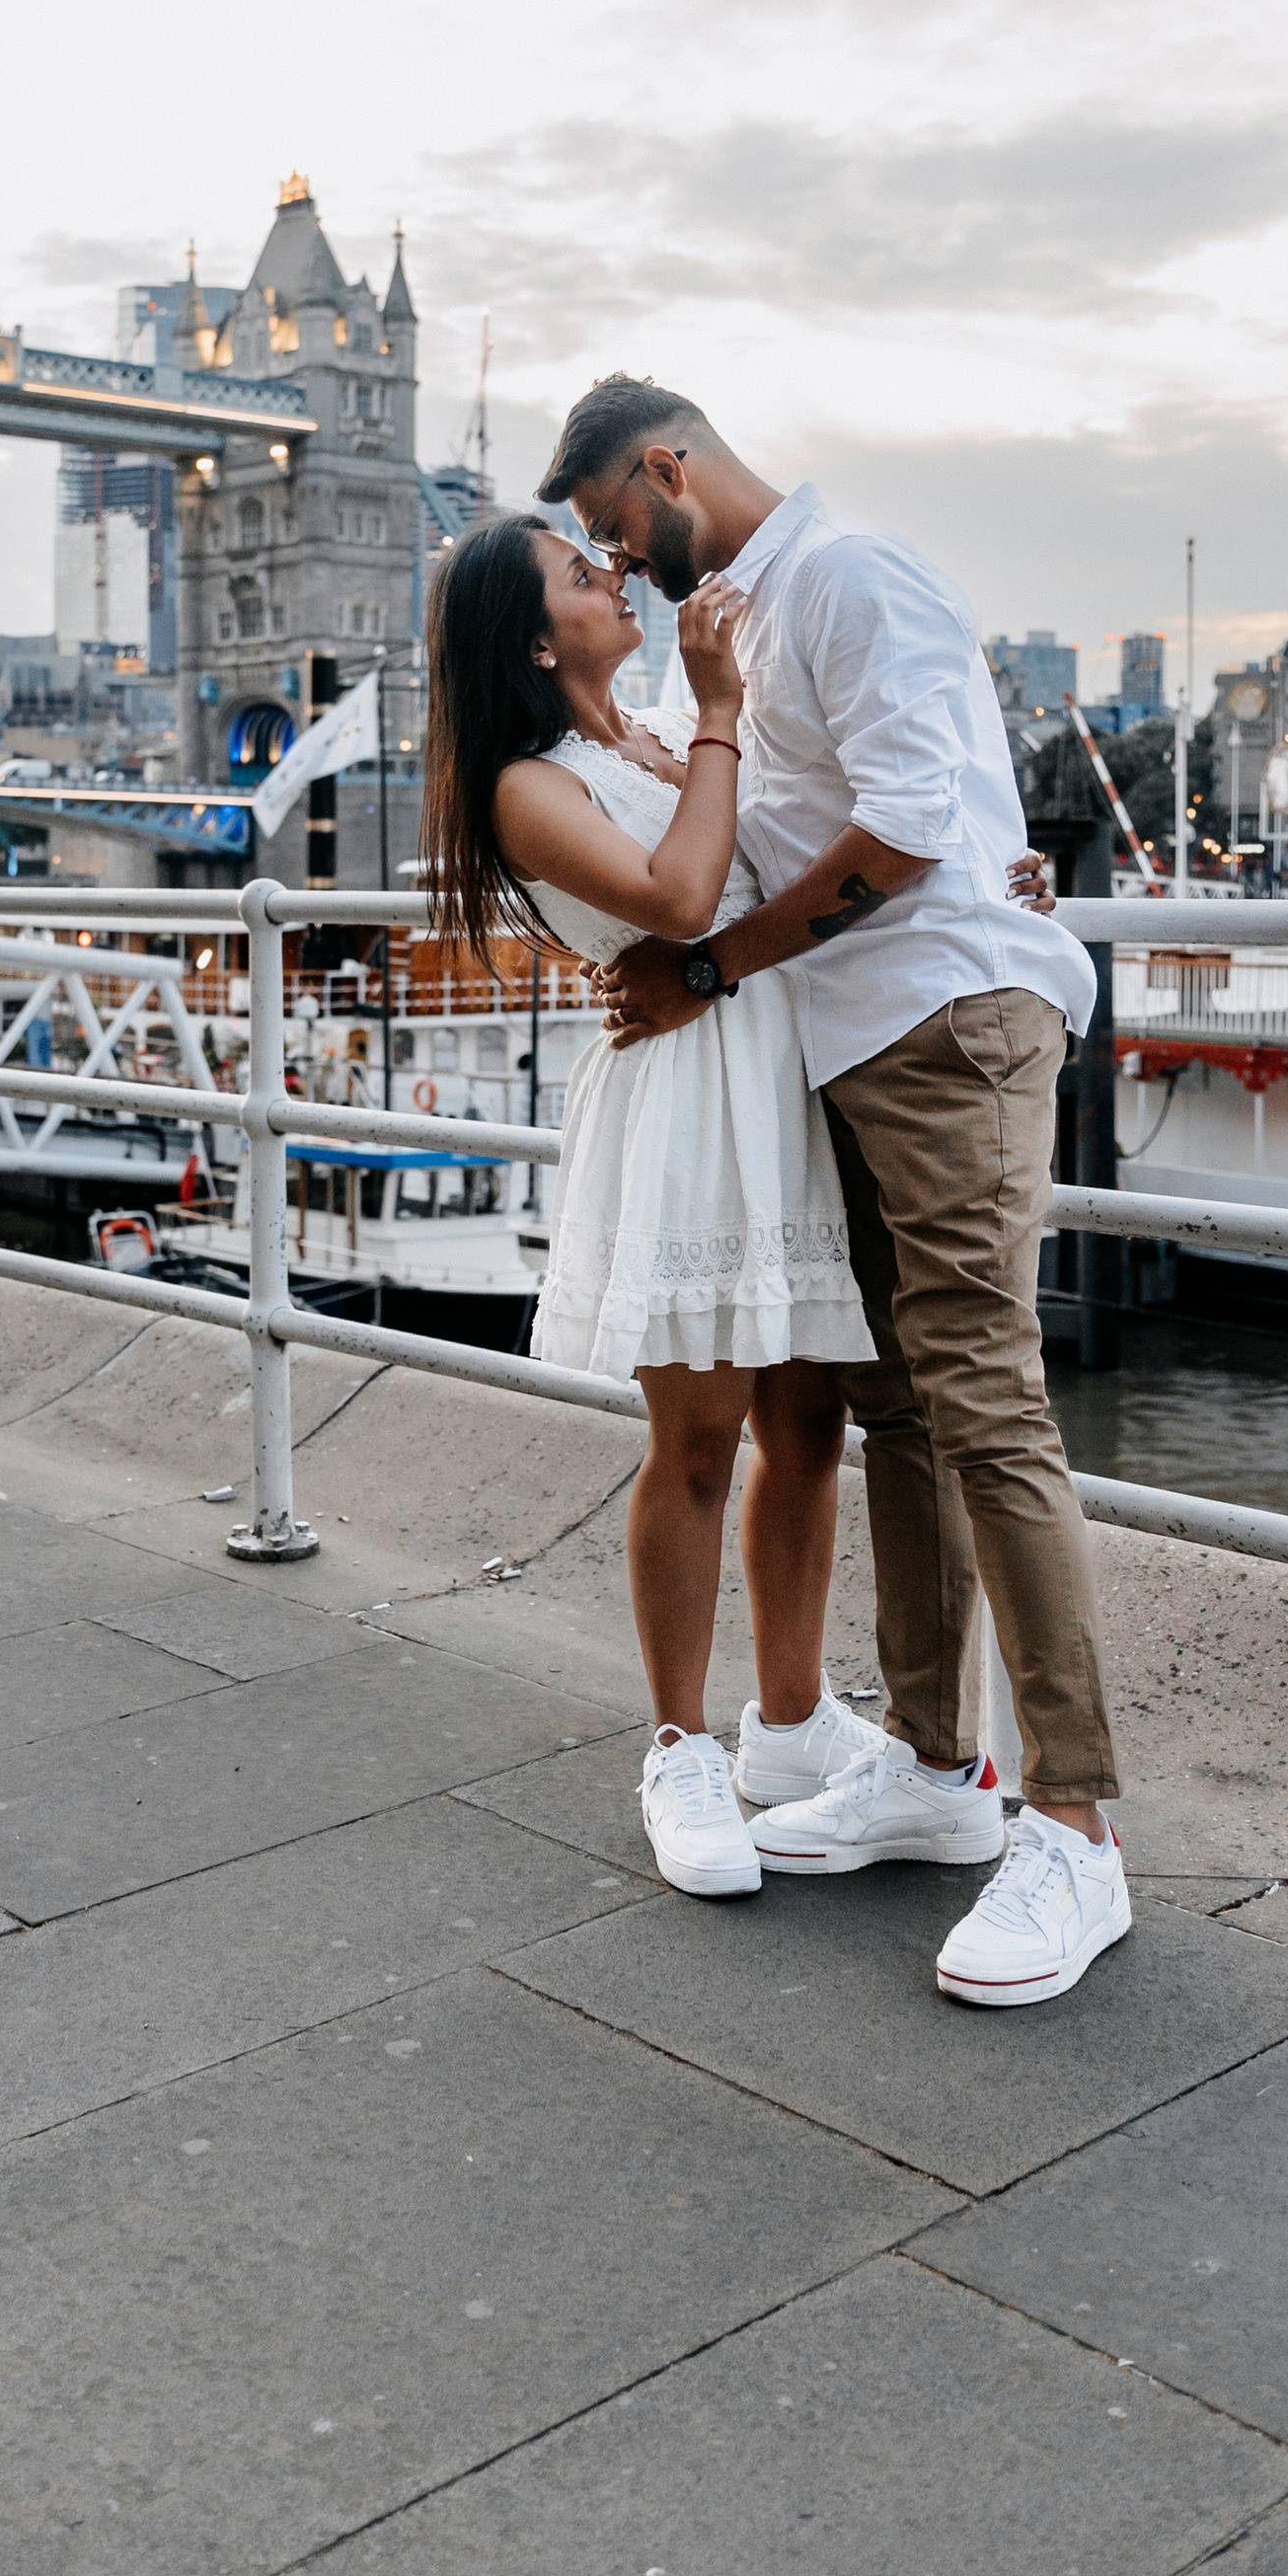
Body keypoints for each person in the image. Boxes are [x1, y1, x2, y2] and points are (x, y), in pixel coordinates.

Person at [545, 375, 1129, 2010]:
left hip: (943, 1025)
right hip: (846, 1047)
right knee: (909, 1415)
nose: (617, 556)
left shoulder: (851, 574)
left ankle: (1074, 1823)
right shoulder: (722, 624)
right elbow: (750, 816)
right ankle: (940, 1771)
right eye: (596, 548)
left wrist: (713, 968)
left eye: (611, 525)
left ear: (666, 465)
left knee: (987, 1404)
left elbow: (917, 829)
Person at [421, 511, 1052, 1910]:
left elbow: (833, 831)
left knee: (810, 1422)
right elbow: (685, 892)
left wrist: (993, 880)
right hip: (693, 1102)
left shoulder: (657, 733)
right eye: (580, 581)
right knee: (696, 1440)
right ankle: (677, 1743)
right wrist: (717, 710)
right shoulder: (533, 783)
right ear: (536, 641)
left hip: (786, 1077)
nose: (612, 579)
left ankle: (785, 1722)